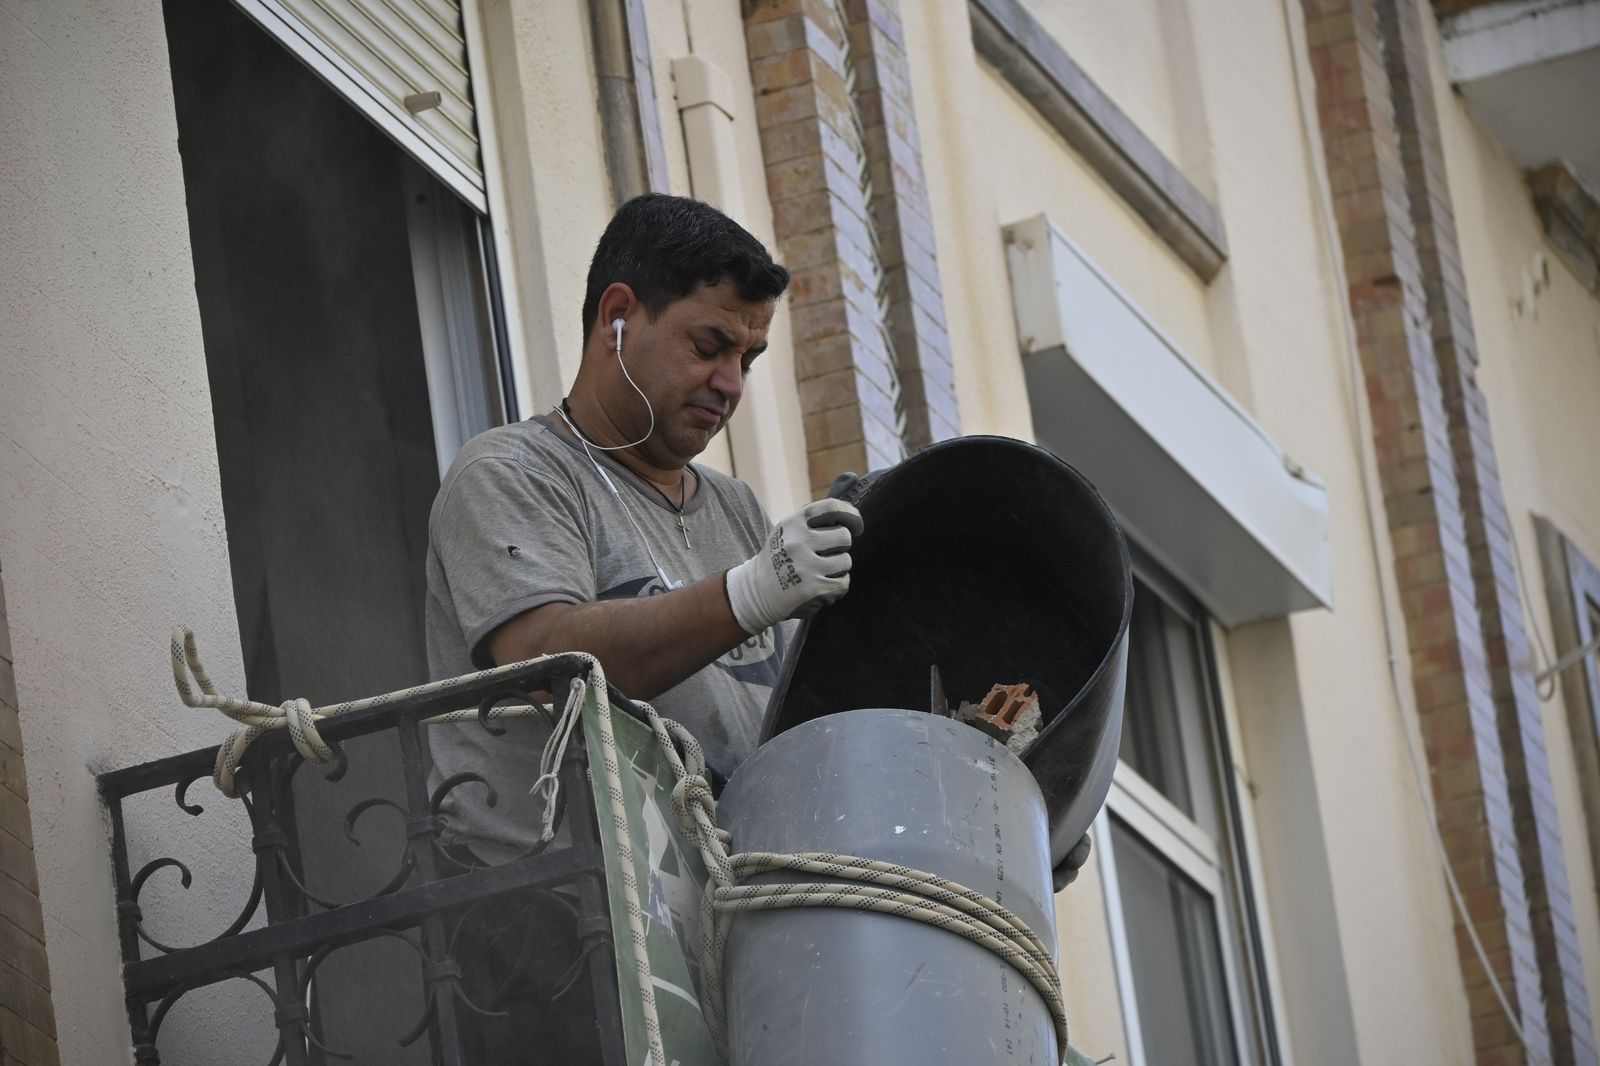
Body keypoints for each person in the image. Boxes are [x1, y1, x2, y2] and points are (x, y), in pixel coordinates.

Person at [422, 194, 862, 1061]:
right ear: (618, 317)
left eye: (749, 357)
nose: (731, 383)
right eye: (709, 346)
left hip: (720, 944)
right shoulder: (515, 472)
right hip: (555, 932)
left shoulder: (735, 510)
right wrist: (753, 591)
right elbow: (541, 659)